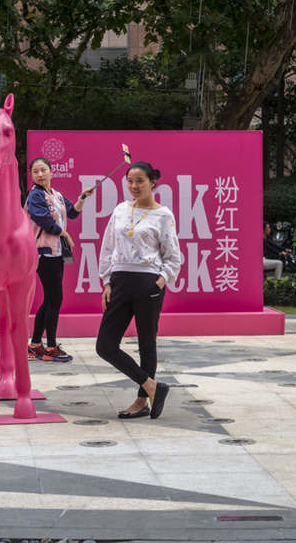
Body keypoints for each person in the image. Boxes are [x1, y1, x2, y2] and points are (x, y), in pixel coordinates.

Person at [96, 161, 183, 420]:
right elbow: (107, 248)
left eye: (140, 181)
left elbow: (173, 256)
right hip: (120, 282)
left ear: (153, 182)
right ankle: (153, 386)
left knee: (147, 343)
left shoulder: (163, 215)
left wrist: (159, 281)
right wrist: (107, 281)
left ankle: (141, 401)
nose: (134, 186)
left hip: (148, 284)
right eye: (130, 181)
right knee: (105, 345)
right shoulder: (121, 210)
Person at [25, 157, 92, 362]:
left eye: (43, 170)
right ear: (32, 175)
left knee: (52, 298)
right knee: (55, 299)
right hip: (43, 252)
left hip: (56, 253)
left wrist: (82, 198)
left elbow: (71, 213)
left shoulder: (56, 195)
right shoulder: (35, 196)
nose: (40, 174)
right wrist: (63, 234)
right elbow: (42, 219)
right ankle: (51, 347)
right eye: (35, 171)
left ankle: (35, 344)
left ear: (52, 171)